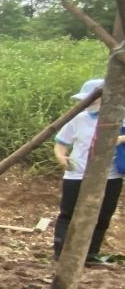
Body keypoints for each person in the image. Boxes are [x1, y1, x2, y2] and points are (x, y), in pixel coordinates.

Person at [53, 78, 123, 264]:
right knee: (67, 214)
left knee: (102, 216)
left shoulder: (119, 119)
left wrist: (119, 139)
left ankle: (90, 254)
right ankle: (60, 253)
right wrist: (61, 157)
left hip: (110, 176)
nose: (87, 103)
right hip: (77, 174)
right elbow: (61, 143)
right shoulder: (78, 118)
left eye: (92, 99)